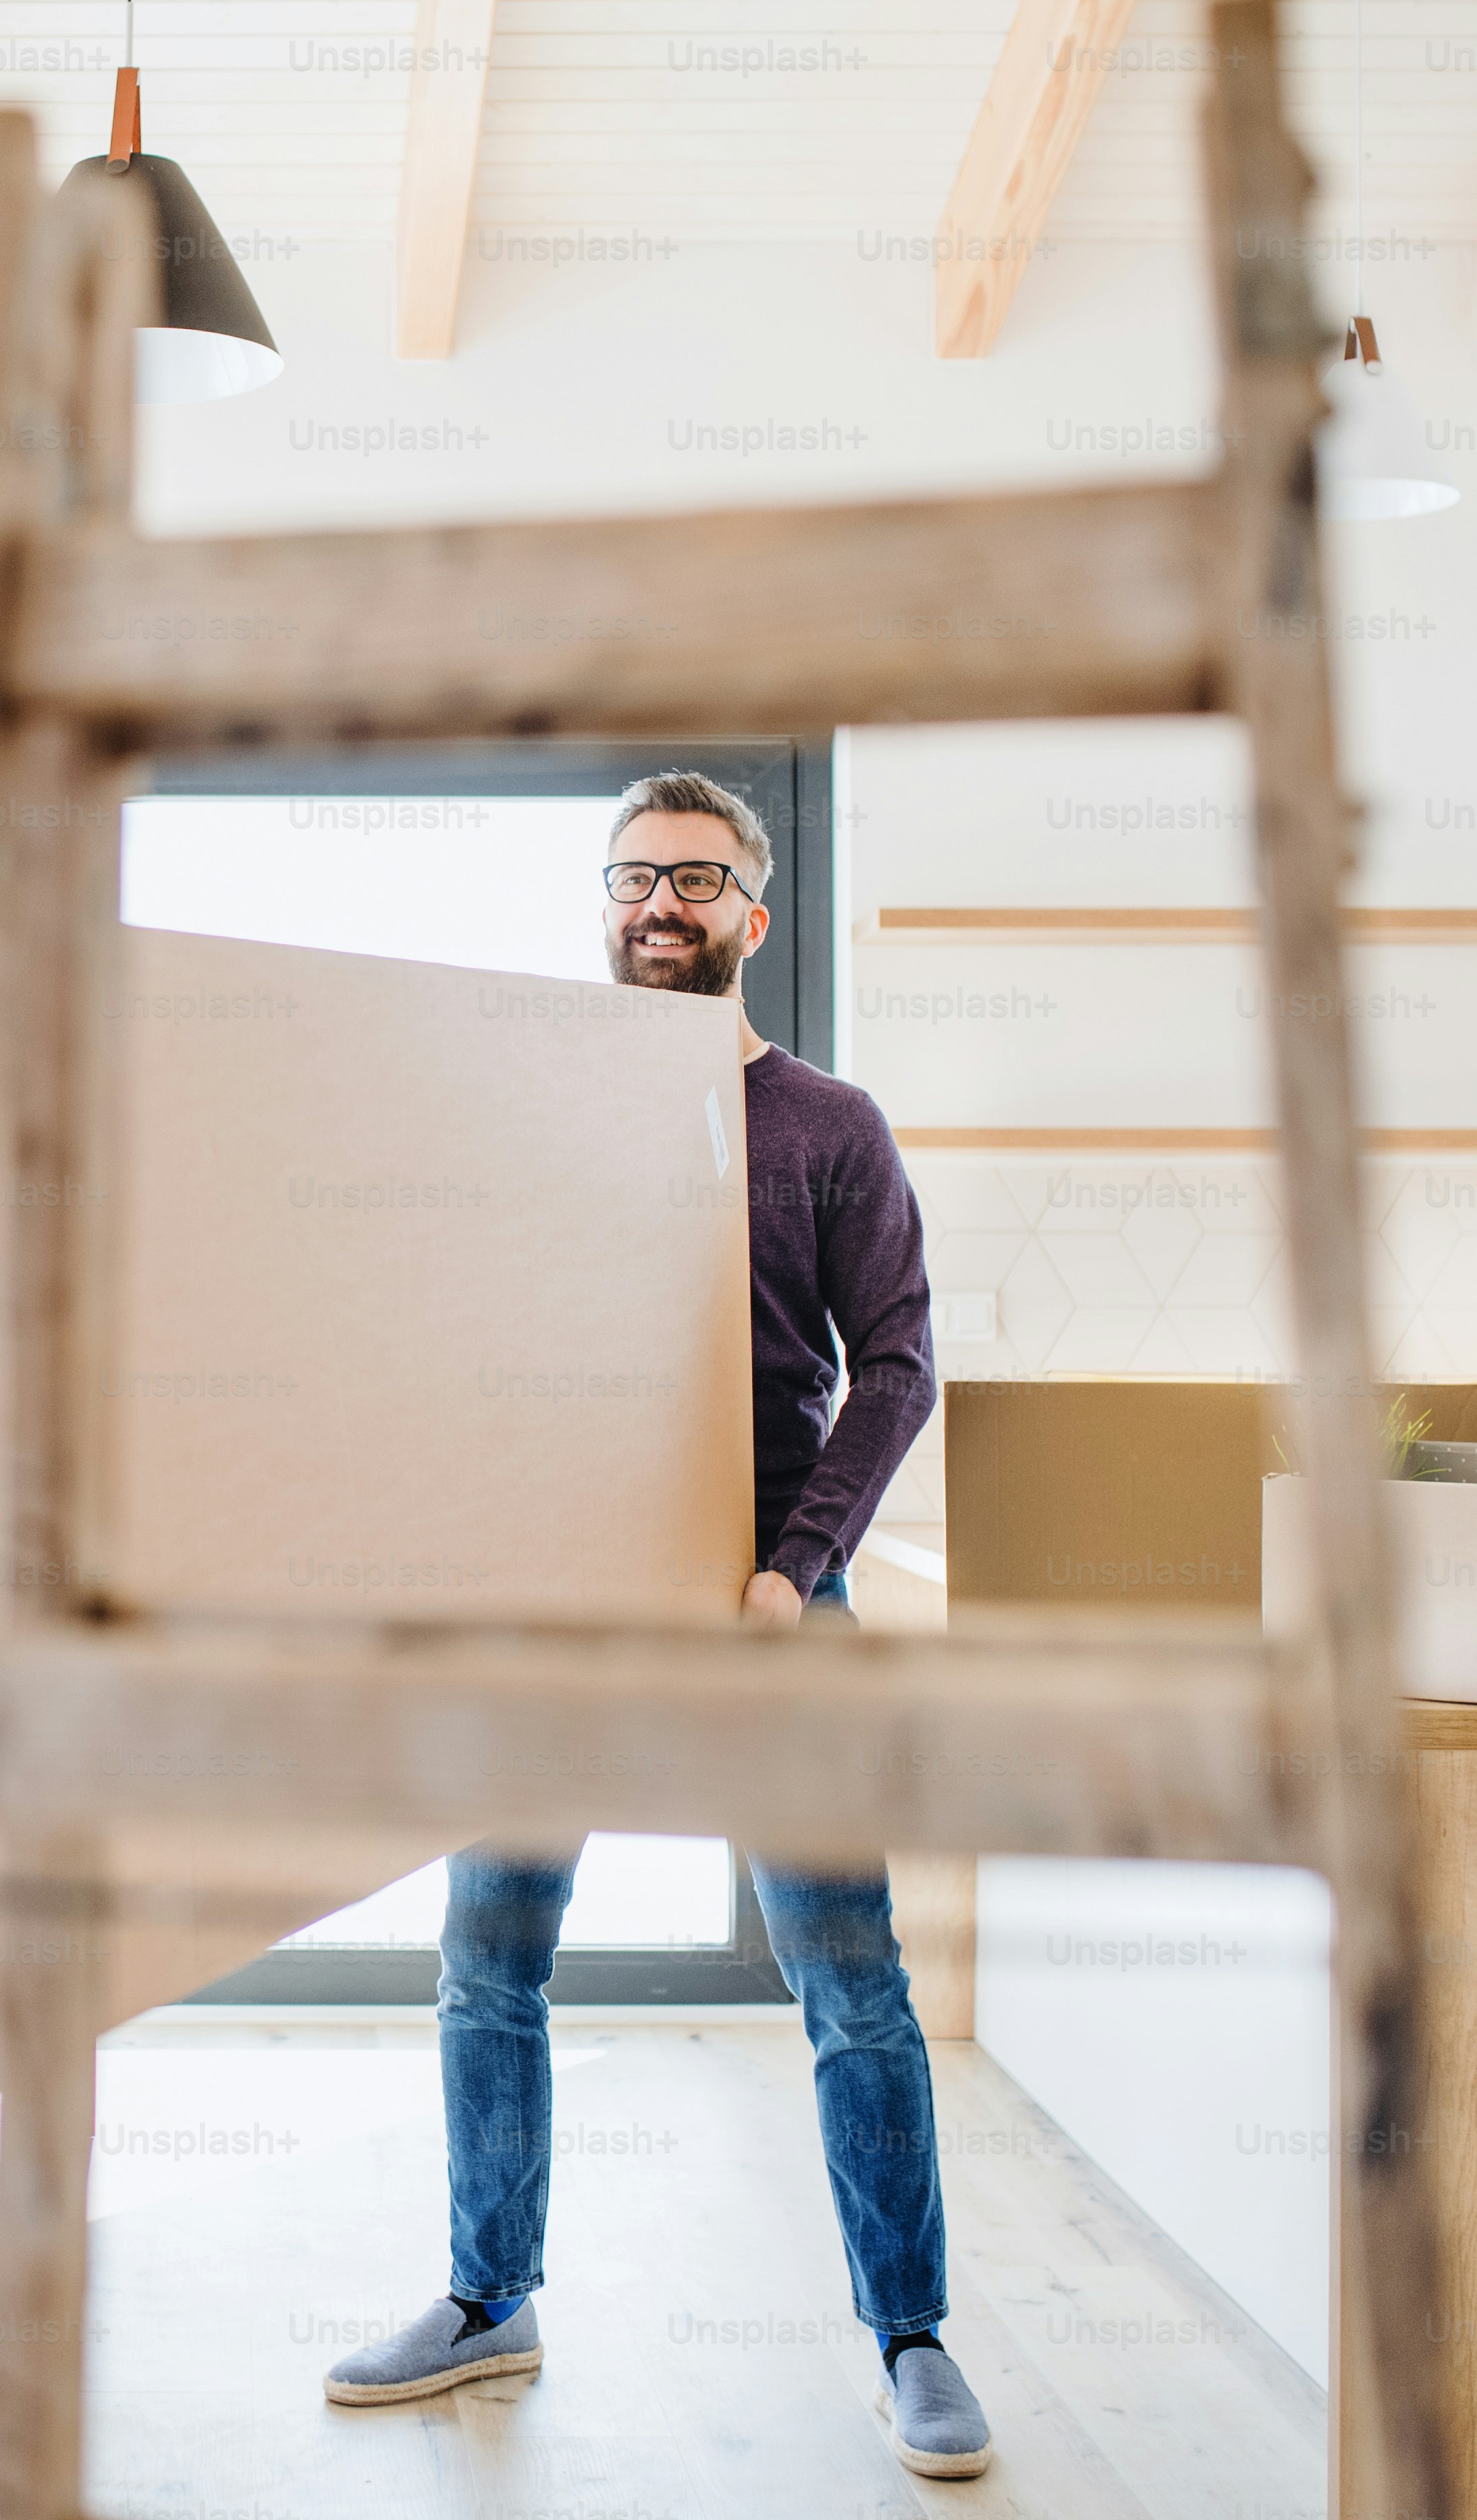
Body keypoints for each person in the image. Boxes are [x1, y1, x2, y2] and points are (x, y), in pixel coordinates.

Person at [320, 770, 986, 2478]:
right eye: (633, 878)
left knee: (851, 1974)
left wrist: (792, 1566)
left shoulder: (829, 1124)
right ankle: (489, 2296)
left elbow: (897, 1366)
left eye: (695, 877)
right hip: (562, 1599)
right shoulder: (536, 1122)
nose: (660, 904)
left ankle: (912, 2336)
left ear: (754, 911)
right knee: (489, 1954)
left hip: (772, 1592)